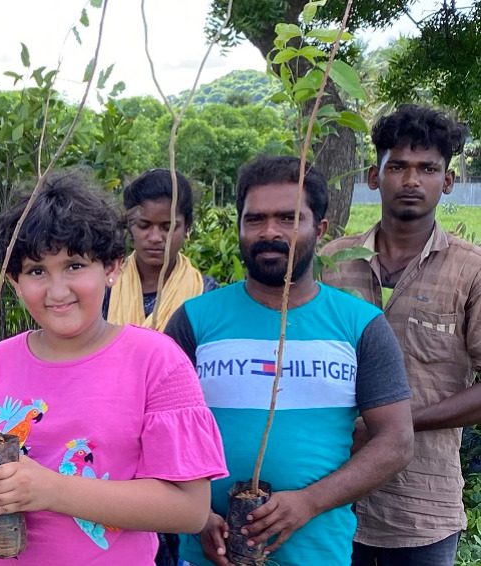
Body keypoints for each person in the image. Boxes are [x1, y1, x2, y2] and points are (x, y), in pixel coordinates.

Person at [0, 168, 229, 565]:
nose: (57, 291)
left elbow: (189, 509)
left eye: (74, 266)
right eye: (37, 271)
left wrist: (51, 489)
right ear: (15, 283)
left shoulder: (157, 361)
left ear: (111, 268)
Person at [163, 155, 415, 566]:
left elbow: (395, 441)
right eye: (255, 219)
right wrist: (196, 516)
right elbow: (158, 431)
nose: (270, 232)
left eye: (288, 218)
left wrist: (310, 502)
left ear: (320, 229)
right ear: (240, 227)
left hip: (318, 552)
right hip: (207, 549)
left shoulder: (360, 325)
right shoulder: (195, 320)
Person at [320, 105, 480, 566]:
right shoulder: (332, 264)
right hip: (327, 496)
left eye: (428, 168)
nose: (412, 180)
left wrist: (392, 426)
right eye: (399, 167)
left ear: (447, 181)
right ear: (375, 175)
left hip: (421, 508)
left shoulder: (472, 270)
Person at [106, 169, 218, 331]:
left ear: (187, 227)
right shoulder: (105, 288)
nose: (155, 237)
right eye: (144, 225)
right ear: (129, 225)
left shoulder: (205, 293)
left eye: (168, 227)